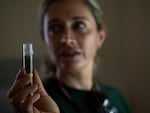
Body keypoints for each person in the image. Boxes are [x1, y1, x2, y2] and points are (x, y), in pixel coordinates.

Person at [8, 0, 131, 113]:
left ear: (100, 36)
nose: (66, 39)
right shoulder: (35, 103)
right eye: (55, 28)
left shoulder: (116, 98)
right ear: (45, 39)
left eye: (79, 25)